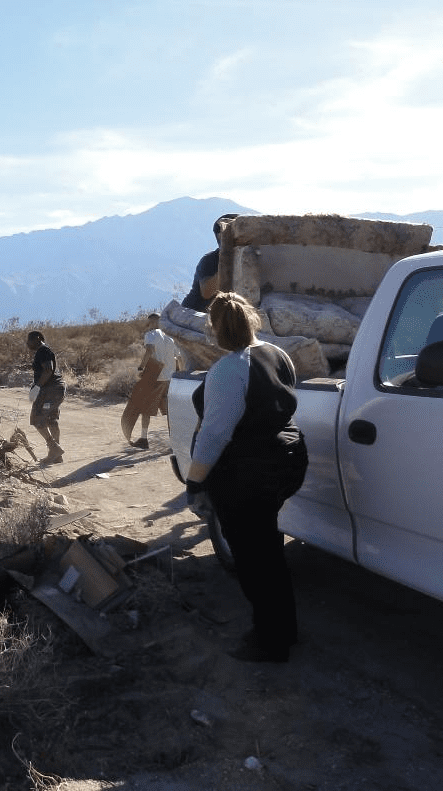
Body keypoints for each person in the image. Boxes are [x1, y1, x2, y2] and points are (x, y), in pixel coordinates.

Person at [184, 293, 308, 663]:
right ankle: (285, 629)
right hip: (285, 460)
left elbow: (214, 435)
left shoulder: (229, 369)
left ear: (215, 330)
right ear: (252, 319)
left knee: (253, 561)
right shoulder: (277, 354)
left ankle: (271, 643)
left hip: (246, 475)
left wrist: (195, 483)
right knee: (268, 550)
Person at [122, 312, 181, 449]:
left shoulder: (151, 334)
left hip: (155, 377)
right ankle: (174, 441)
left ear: (152, 322)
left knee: (146, 408)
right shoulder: (170, 337)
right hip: (169, 378)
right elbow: (178, 358)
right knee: (169, 411)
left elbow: (149, 350)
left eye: (149, 322)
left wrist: (141, 367)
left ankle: (144, 439)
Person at [181, 213, 241, 312]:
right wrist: (228, 260)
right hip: (194, 313)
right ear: (221, 236)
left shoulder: (249, 258)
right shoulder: (210, 260)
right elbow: (206, 293)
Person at [25, 330, 66, 464]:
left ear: (37, 338)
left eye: (29, 340)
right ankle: (56, 455)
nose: (27, 343)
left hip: (50, 391)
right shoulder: (45, 350)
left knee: (37, 419)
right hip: (56, 390)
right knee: (51, 419)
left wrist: (37, 387)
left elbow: (48, 370)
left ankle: (54, 448)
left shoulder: (42, 351)